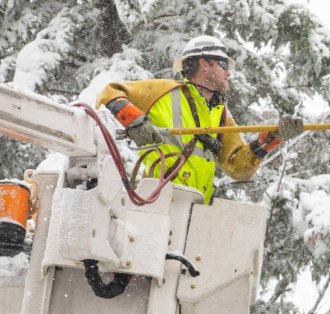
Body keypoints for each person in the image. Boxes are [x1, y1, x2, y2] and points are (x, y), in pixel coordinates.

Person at [96, 35, 303, 204]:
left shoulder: (221, 114)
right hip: (159, 200)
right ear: (205, 63)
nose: (228, 74)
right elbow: (109, 93)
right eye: (224, 65)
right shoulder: (164, 92)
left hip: (195, 208)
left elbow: (237, 168)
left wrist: (264, 144)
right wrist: (134, 121)